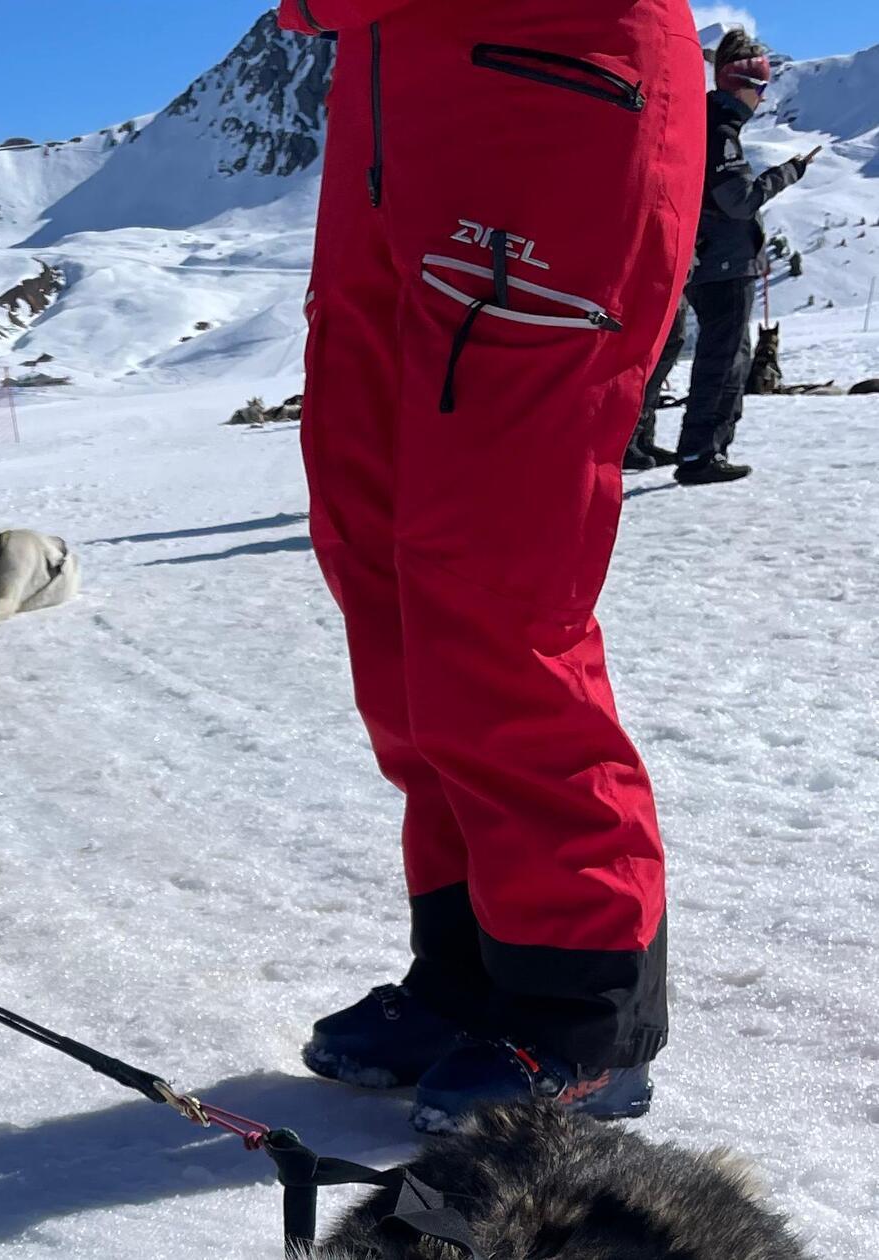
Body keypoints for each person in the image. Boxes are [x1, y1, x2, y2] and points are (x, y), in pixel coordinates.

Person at [276, 0, 700, 1132]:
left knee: (492, 587)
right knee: (383, 574)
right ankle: (474, 970)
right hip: (391, 100)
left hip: (546, 85)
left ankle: (577, 1014)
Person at [676, 30, 818, 486]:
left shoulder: (710, 121)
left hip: (711, 258)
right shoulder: (721, 130)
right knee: (723, 358)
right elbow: (738, 198)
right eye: (760, 88)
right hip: (721, 263)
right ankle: (700, 453)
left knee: (732, 355)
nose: (763, 97)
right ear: (742, 86)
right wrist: (785, 175)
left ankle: (708, 448)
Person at [625, 295, 688, 471]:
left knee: (667, 346)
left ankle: (642, 437)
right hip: (655, 281)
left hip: (676, 281)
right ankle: (628, 439)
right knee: (649, 351)